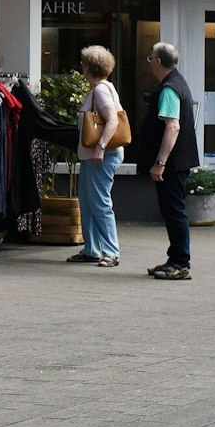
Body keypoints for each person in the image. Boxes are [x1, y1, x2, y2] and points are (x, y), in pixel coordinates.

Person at [135, 42, 200, 281]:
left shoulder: (169, 89)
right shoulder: (178, 82)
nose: (149, 62)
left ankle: (180, 263)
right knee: (173, 211)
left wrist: (160, 162)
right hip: (178, 161)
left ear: (158, 61)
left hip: (172, 164)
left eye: (150, 58)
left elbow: (172, 127)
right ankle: (175, 258)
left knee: (174, 212)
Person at [68, 45, 123, 268]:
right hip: (94, 156)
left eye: (84, 64)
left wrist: (101, 146)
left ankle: (111, 251)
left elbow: (112, 120)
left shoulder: (100, 90)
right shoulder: (104, 87)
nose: (82, 67)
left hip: (102, 156)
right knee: (88, 201)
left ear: (89, 67)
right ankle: (92, 249)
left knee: (99, 203)